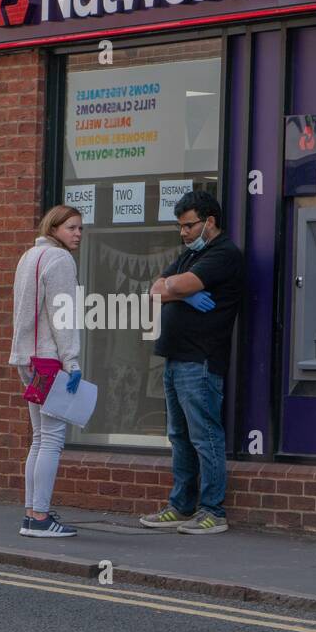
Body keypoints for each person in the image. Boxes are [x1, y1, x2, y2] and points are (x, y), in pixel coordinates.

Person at [140, 190, 244, 534]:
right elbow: (154, 289)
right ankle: (182, 506)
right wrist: (177, 291)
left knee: (204, 436)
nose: (183, 233)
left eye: (188, 225)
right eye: (180, 226)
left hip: (200, 360)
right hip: (175, 357)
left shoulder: (224, 254)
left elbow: (176, 284)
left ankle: (213, 511)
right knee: (179, 436)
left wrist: (177, 289)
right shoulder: (189, 255)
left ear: (209, 222)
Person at [9, 205, 83, 537]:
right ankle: (39, 518)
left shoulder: (29, 257)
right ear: (53, 229)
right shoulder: (61, 261)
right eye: (71, 228)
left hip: (26, 358)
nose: (78, 234)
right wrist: (73, 361)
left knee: (39, 438)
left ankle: (31, 512)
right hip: (49, 360)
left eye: (80, 228)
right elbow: (62, 316)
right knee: (51, 440)